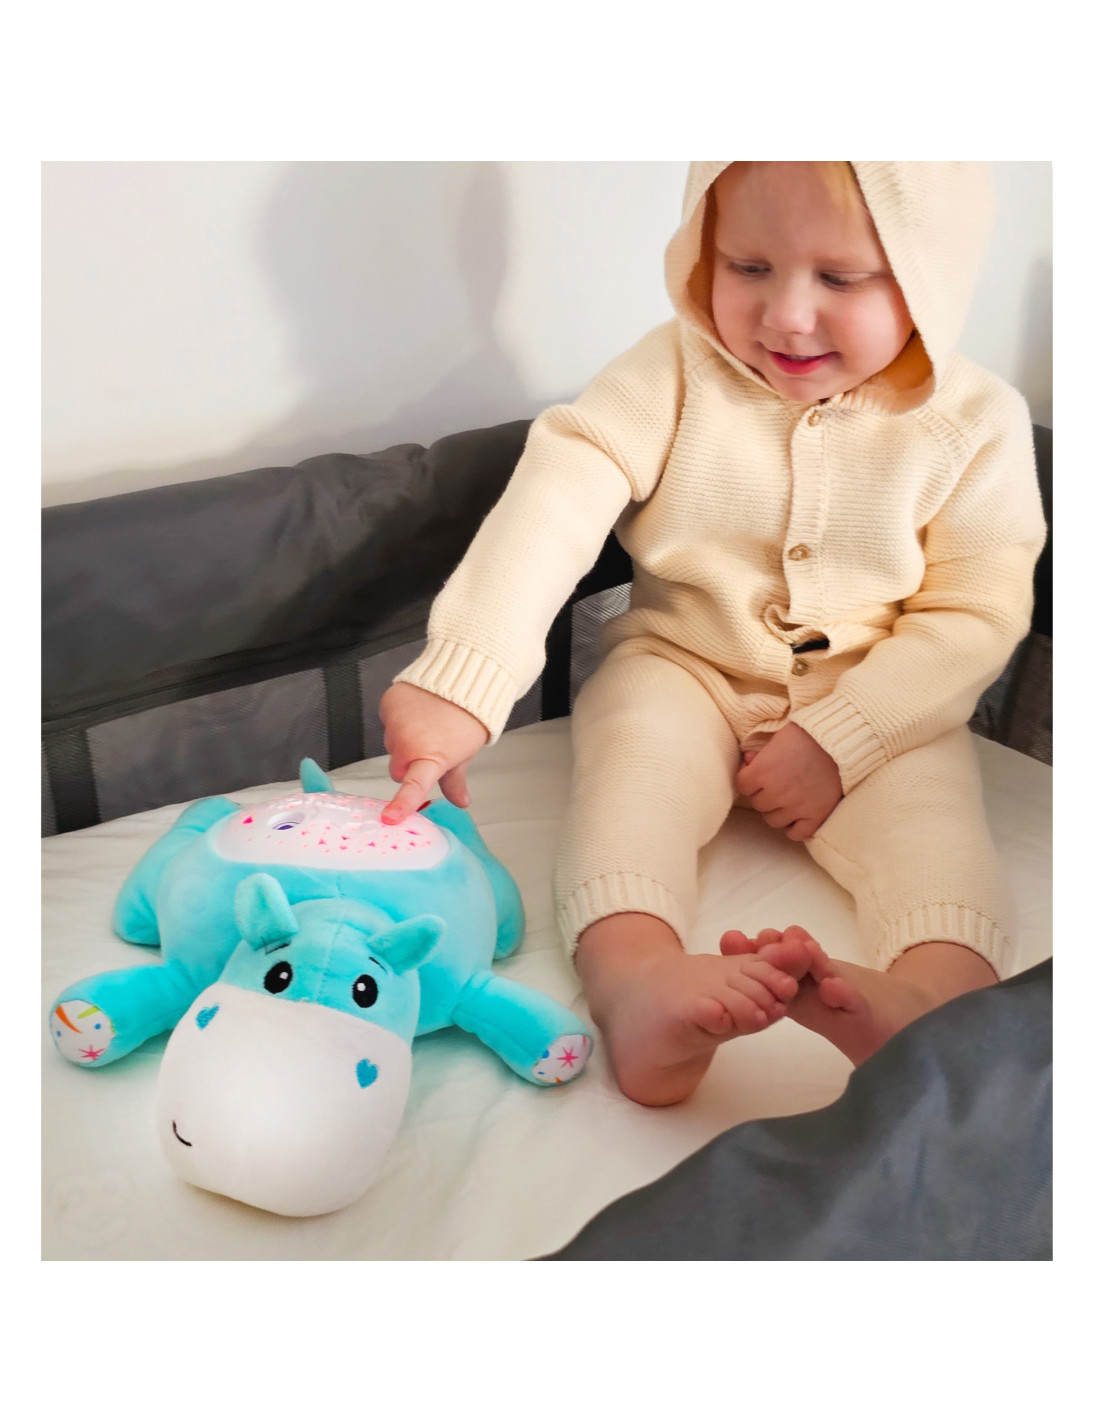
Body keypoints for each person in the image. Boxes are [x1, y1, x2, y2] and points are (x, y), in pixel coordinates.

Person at [378, 162, 1046, 1106]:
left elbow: (975, 613)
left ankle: (932, 1001)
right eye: (747, 266)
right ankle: (636, 978)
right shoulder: (672, 374)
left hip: (881, 695)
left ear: (932, 277)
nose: (787, 316)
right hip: (682, 664)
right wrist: (464, 678)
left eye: (840, 278)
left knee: (937, 833)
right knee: (631, 775)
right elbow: (558, 496)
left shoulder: (976, 424)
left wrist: (842, 737)